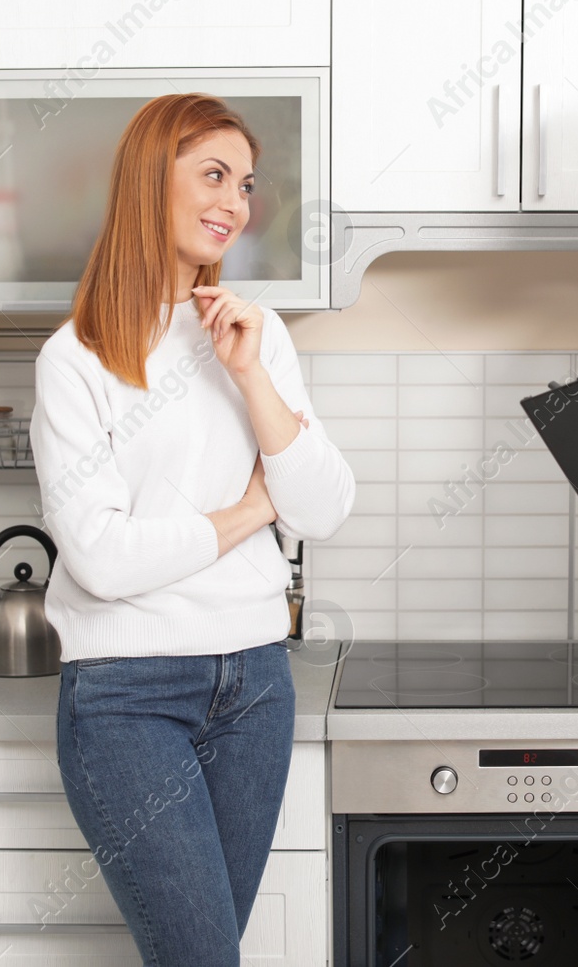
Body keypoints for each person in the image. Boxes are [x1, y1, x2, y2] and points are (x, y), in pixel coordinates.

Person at [30, 93, 355, 967]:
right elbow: (100, 557)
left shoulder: (257, 334)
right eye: (213, 175)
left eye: (245, 184)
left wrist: (250, 374)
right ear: (150, 182)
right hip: (127, 697)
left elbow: (324, 507)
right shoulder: (77, 358)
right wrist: (252, 511)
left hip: (255, 685)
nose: (235, 203)